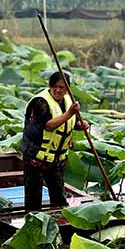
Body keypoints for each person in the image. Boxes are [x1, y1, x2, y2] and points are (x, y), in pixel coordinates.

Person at [19, 71, 89, 210]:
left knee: (59, 197)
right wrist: (70, 113)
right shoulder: (40, 102)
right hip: (36, 156)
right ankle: (33, 225)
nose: (57, 90)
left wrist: (80, 125)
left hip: (57, 158)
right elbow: (49, 125)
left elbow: (67, 124)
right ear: (50, 86)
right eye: (54, 86)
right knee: (33, 199)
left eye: (62, 87)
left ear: (68, 88)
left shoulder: (69, 101)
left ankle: (60, 224)